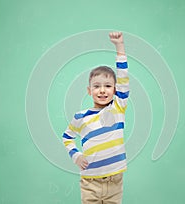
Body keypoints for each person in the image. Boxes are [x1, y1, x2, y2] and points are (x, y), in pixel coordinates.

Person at [62, 31, 129, 204]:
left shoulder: (117, 108)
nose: (102, 90)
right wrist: (76, 156)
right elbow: (67, 137)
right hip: (90, 183)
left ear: (115, 90)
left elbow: (123, 78)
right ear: (89, 90)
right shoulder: (81, 117)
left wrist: (120, 47)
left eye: (108, 86)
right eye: (97, 86)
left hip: (115, 183)